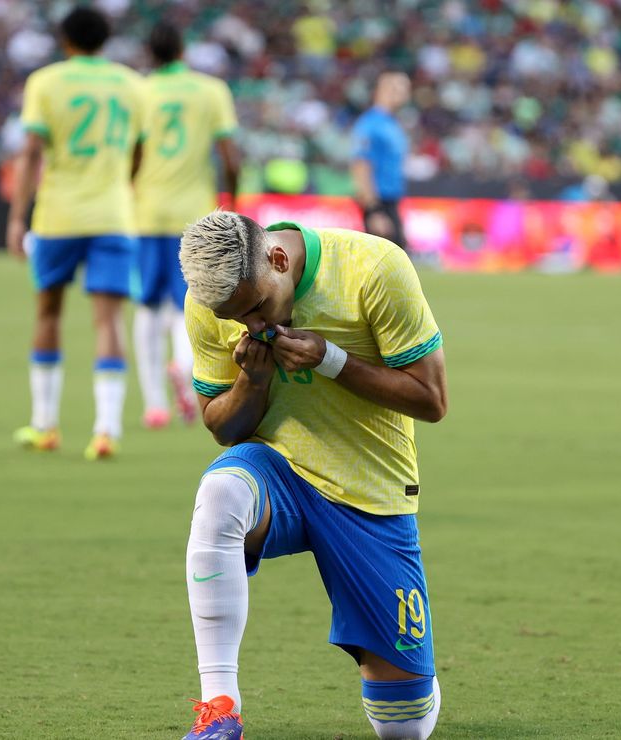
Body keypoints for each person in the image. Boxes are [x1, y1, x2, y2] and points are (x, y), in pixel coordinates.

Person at [177, 212, 447, 739]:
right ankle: (220, 709)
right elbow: (221, 426)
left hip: (369, 491)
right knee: (220, 494)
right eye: (238, 321)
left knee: (404, 728)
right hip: (278, 473)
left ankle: (413, 687)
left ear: (278, 260)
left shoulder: (375, 267)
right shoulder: (212, 303)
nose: (252, 327)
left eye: (256, 308)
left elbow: (432, 401)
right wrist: (251, 384)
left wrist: (332, 360)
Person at [7, 7, 145, 460]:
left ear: (65, 40)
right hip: (113, 215)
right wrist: (121, 188)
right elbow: (138, 151)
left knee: (48, 313)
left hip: (58, 216)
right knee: (108, 320)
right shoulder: (131, 84)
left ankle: (45, 424)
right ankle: (106, 430)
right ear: (105, 40)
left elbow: (30, 152)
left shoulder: (45, 82)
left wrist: (16, 217)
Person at [132, 21, 240, 430]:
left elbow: (133, 153)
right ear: (182, 51)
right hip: (196, 217)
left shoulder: (140, 92)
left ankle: (154, 404)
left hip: (146, 213)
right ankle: (182, 363)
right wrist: (233, 200)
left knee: (146, 304)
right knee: (190, 301)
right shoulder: (211, 91)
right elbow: (230, 157)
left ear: (151, 55)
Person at [351, 71, 411, 250]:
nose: (405, 93)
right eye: (400, 88)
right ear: (384, 90)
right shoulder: (371, 123)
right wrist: (373, 210)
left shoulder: (392, 123)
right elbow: (361, 166)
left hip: (391, 200)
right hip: (379, 202)